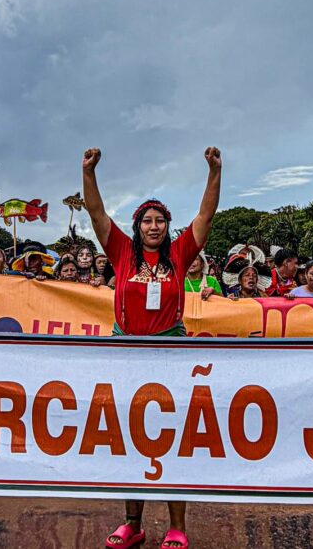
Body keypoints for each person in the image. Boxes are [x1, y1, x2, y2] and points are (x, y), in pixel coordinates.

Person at [84, 145, 220, 549]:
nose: (154, 226)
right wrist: (88, 172)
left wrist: (215, 171)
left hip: (170, 355)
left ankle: (177, 527)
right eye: (147, 220)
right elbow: (95, 213)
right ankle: (133, 524)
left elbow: (206, 215)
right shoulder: (121, 252)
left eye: (161, 220)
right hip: (125, 354)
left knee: (170, 437)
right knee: (131, 439)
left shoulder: (180, 255)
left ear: (168, 226)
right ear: (137, 225)